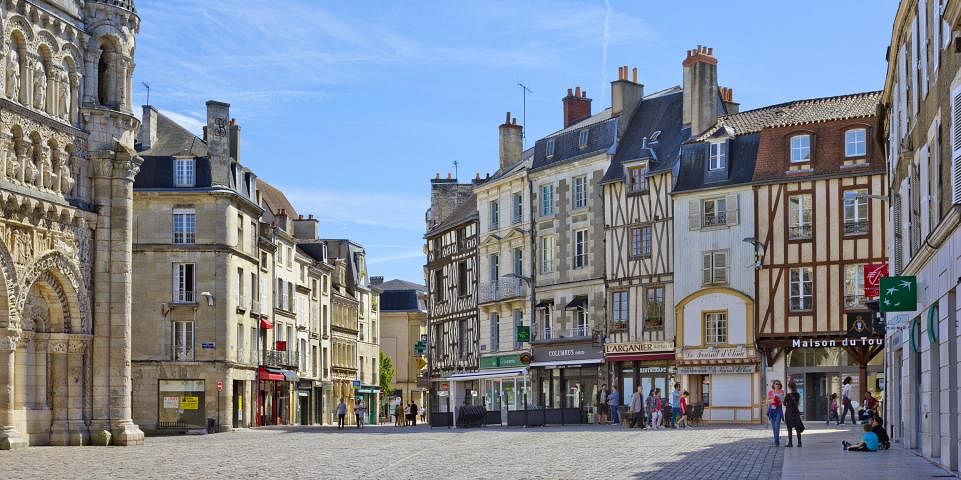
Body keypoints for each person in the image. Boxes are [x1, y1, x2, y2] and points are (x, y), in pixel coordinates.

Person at [784, 381, 804, 447]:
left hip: (789, 412)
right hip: (795, 412)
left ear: (789, 387)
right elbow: (797, 403)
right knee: (797, 427)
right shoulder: (798, 394)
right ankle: (799, 443)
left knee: (789, 428)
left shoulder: (787, 395)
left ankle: (790, 443)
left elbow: (784, 404)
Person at [767, 380, 785, 446]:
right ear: (773, 385)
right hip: (772, 410)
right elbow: (767, 402)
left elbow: (782, 401)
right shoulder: (770, 392)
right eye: (776, 384)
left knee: (777, 425)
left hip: (778, 410)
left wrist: (778, 399)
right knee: (774, 427)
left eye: (778, 384)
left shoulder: (781, 391)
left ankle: (776, 442)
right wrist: (773, 400)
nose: (777, 385)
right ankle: (776, 441)